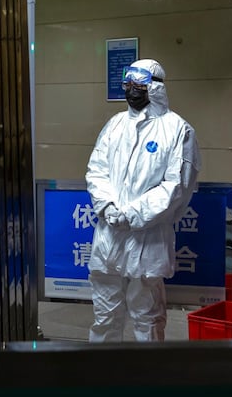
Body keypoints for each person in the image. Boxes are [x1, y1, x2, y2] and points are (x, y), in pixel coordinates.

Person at [85, 58, 200, 342]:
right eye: (128, 84)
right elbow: (96, 170)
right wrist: (108, 207)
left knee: (146, 317)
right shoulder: (114, 125)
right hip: (108, 237)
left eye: (140, 84)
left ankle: (148, 379)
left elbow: (176, 187)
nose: (132, 90)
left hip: (148, 239)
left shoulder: (177, 130)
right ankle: (100, 378)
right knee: (104, 315)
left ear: (156, 88)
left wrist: (132, 215)